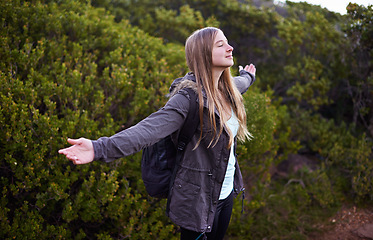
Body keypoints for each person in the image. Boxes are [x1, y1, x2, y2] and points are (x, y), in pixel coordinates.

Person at [59, 27, 256, 240]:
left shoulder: (227, 89)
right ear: (203, 54)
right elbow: (146, 131)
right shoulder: (187, 100)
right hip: (198, 200)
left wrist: (248, 76)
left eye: (227, 42)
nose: (230, 48)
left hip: (226, 194)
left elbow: (241, 83)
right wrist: (99, 148)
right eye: (221, 45)